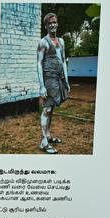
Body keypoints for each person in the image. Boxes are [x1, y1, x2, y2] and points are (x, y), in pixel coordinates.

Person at [36, 12, 70, 154]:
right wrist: (42, 85)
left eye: (54, 22)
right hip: (48, 78)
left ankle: (48, 136)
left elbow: (63, 61)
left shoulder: (61, 41)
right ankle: (43, 142)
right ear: (46, 26)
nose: (53, 25)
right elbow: (39, 63)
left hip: (59, 78)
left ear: (57, 23)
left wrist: (66, 80)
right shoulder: (43, 42)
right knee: (47, 109)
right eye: (50, 23)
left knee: (52, 109)